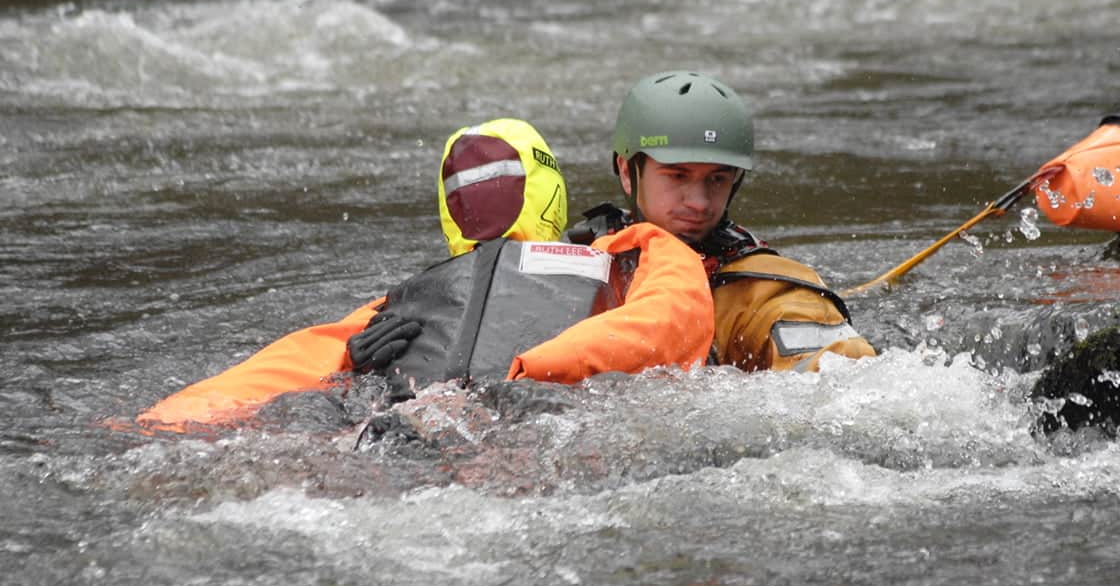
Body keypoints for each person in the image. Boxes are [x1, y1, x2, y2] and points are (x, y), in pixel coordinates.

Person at [135, 118, 712, 431]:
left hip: (400, 429)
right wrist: (533, 369)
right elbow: (671, 314)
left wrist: (349, 366)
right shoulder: (622, 255)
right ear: (551, 194)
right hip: (537, 419)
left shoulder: (402, 303)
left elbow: (258, 379)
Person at [566, 70, 876, 372]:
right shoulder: (575, 260)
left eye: (717, 178)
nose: (699, 202)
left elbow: (843, 376)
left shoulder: (766, 294)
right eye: (677, 176)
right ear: (626, 171)